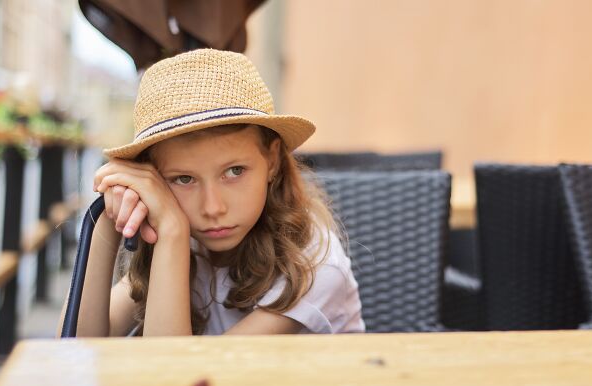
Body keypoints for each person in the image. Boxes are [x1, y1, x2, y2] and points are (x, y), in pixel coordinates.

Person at [57, 49, 364, 337]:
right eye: (184, 179)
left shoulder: (314, 264)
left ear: (271, 160)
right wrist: (111, 221)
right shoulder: (190, 238)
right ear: (156, 181)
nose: (213, 207)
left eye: (234, 172)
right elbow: (77, 348)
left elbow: (181, 377)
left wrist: (174, 232)